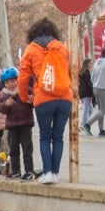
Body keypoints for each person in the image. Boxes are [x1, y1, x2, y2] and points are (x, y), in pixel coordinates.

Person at [19, 18, 75, 184]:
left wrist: (24, 97)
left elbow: (23, 77)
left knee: (45, 137)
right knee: (58, 137)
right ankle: (56, 173)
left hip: (43, 98)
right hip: (65, 97)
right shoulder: (62, 48)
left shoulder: (30, 50)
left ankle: (48, 172)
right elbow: (71, 71)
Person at [0, 67, 36, 180]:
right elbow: (0, 108)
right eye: (8, 82)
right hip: (12, 125)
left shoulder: (25, 90)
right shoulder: (4, 95)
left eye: (13, 81)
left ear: (18, 80)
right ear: (4, 84)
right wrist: (6, 105)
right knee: (13, 149)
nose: (11, 84)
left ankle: (29, 170)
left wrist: (31, 100)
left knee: (27, 148)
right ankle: (16, 170)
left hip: (25, 123)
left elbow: (35, 102)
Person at [90, 48, 105, 137]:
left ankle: (101, 129)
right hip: (104, 88)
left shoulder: (96, 63)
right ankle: (87, 124)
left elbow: (92, 77)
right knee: (104, 110)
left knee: (100, 110)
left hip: (95, 87)